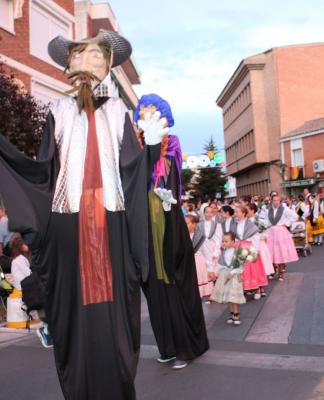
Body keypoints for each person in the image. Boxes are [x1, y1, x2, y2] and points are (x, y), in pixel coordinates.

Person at [0, 29, 162, 399]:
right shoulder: (59, 111)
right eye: (81, 55)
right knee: (72, 314)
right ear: (69, 64)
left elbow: (132, 169)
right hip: (69, 225)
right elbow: (38, 170)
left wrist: (153, 149)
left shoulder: (117, 111)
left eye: (98, 56)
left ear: (109, 65)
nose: (88, 62)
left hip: (113, 224)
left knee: (115, 318)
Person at [136, 94, 209, 370]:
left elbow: (169, 174)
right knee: (154, 289)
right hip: (144, 222)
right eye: (143, 111)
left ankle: (186, 348)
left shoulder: (172, 141)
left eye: (152, 110)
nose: (147, 114)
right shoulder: (134, 144)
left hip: (166, 217)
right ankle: (167, 346)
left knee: (174, 284)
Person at [210, 232, 246, 325]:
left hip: (233, 277)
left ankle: (236, 314)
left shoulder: (238, 252)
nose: (224, 243)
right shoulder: (223, 253)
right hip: (224, 276)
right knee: (228, 297)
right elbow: (220, 265)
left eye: (226, 241)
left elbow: (241, 267)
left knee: (233, 297)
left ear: (233, 242)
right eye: (223, 241)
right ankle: (232, 314)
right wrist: (214, 273)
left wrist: (232, 272)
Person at [233, 205, 268, 297]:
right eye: (235, 212)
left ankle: (257, 289)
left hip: (249, 247)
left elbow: (255, 237)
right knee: (242, 269)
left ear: (243, 213)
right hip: (239, 247)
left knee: (252, 268)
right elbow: (235, 238)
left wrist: (254, 251)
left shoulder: (250, 224)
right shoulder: (235, 224)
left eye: (237, 212)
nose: (236, 214)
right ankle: (245, 288)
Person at [263, 195, 299, 281]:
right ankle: (273, 270)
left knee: (280, 252)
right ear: (271, 201)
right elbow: (265, 220)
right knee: (271, 252)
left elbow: (295, 216)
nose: (275, 202)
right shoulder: (268, 210)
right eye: (274, 200)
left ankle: (281, 272)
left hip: (281, 232)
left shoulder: (284, 209)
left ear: (280, 201)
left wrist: (286, 224)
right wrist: (265, 227)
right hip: (271, 232)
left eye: (277, 200)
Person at [185, 213, 213, 300]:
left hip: (198, 266)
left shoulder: (201, 237)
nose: (184, 226)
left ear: (194, 224)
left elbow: (208, 254)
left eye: (187, 223)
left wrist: (210, 270)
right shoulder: (181, 236)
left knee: (198, 291)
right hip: (186, 266)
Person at [198, 205, 223, 302]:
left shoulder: (217, 225)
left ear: (213, 213)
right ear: (204, 213)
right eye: (206, 212)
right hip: (203, 249)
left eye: (210, 212)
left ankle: (218, 292)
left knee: (215, 270)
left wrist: (216, 251)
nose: (208, 214)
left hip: (213, 248)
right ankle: (211, 292)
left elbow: (218, 238)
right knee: (207, 270)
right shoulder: (200, 225)